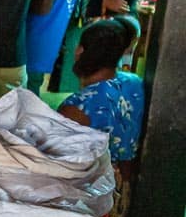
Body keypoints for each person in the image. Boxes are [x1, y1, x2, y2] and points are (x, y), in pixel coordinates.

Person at [58, 15, 144, 185]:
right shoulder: (134, 82)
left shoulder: (76, 108)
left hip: (94, 192)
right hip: (127, 182)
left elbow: (61, 166)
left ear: (80, 52)